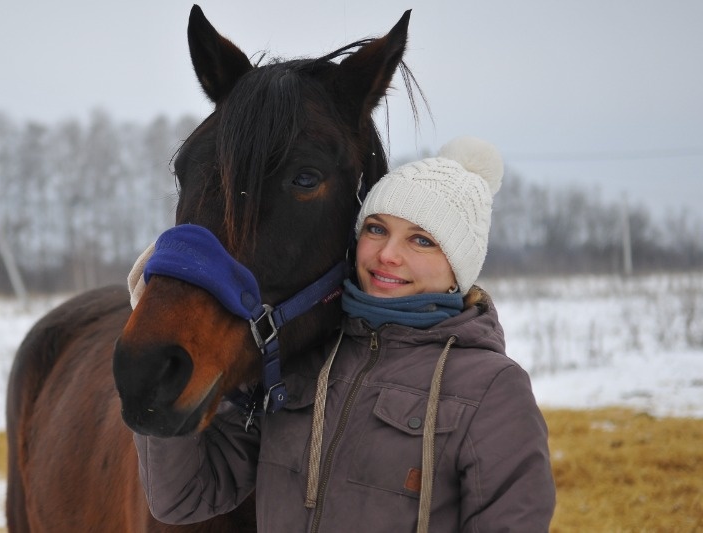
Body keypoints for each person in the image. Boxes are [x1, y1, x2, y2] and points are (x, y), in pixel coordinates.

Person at [128, 136, 556, 532]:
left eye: (421, 241)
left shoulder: (492, 390)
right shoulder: (300, 362)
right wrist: (164, 335)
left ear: (457, 270)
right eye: (376, 229)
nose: (388, 255)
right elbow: (183, 498)